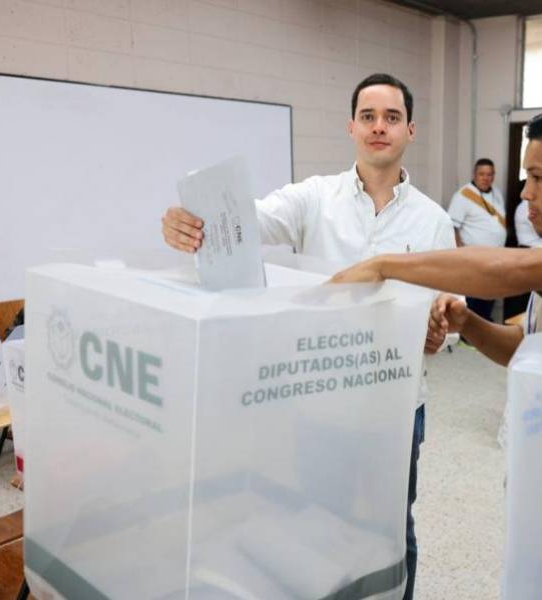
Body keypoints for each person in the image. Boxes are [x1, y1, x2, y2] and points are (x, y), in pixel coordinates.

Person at [162, 73, 455, 599]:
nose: (379, 127)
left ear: (411, 129)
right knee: (319, 522)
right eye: (368, 116)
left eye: (391, 117)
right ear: (351, 127)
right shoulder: (313, 198)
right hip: (319, 400)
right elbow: (251, 220)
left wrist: (437, 332)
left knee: (393, 525)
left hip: (397, 403)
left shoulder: (433, 221)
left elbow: (442, 312)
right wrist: (194, 221)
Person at [330, 102, 542, 367]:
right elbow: (526, 349)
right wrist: (469, 323)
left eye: (537, 177)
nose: (526, 193)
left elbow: (507, 270)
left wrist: (382, 265)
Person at [447, 158, 507, 322]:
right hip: (474, 258)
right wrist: (460, 254)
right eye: (482, 174)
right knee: (474, 296)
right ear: (474, 174)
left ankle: (485, 324)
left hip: (496, 257)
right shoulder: (463, 195)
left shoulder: (496, 192)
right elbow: (452, 227)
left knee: (489, 294)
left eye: (489, 174)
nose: (486, 178)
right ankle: (468, 334)